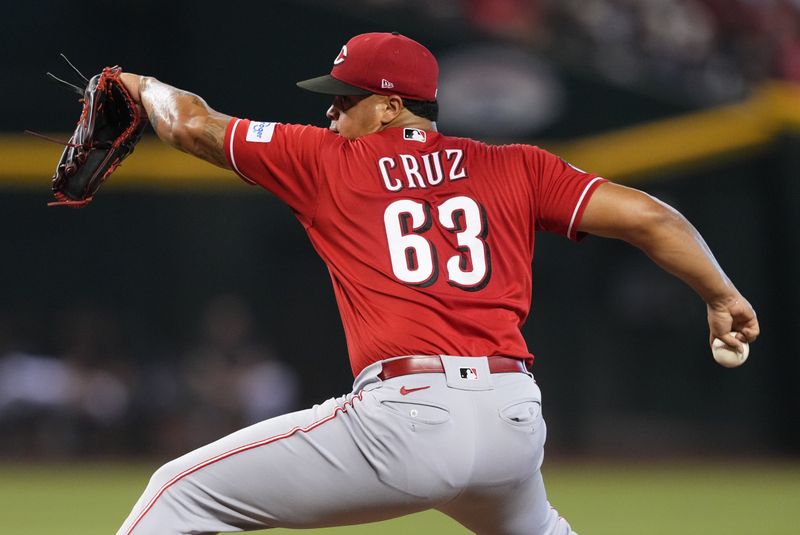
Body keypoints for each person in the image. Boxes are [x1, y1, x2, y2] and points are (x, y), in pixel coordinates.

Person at [115, 32, 760, 535]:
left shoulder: (326, 158)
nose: (332, 113)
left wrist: (140, 85)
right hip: (513, 419)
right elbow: (651, 217)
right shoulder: (518, 165)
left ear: (393, 106)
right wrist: (722, 295)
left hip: (408, 416)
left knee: (179, 492)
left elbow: (190, 125)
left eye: (346, 99)